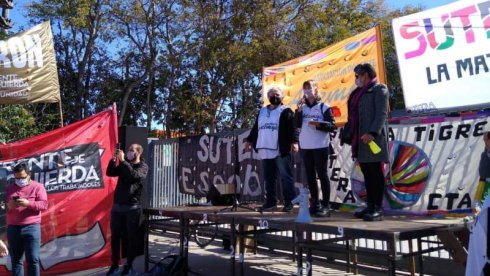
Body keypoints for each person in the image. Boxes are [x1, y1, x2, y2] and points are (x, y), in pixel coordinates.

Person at [343, 63, 389, 221]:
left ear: (367, 74)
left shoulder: (379, 89)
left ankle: (378, 207)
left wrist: (372, 132)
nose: (357, 78)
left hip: (373, 139)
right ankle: (370, 205)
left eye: (359, 75)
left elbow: (382, 113)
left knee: (375, 172)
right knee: (367, 173)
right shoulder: (358, 93)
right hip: (360, 140)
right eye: (355, 76)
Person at [245, 87, 298, 212]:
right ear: (268, 97)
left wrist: (295, 142)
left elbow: (293, 128)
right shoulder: (262, 111)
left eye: (277, 94)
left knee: (286, 176)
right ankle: (270, 202)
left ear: (282, 97)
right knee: (269, 177)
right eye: (272, 94)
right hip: (264, 147)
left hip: (280, 148)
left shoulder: (286, 111)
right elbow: (255, 127)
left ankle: (290, 202)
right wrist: (249, 140)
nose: (274, 96)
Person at [295, 80, 337, 217]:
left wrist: (318, 125)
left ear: (316, 89)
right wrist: (298, 111)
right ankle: (315, 203)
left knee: (322, 175)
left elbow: (332, 126)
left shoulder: (324, 107)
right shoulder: (302, 108)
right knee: (310, 177)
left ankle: (326, 205)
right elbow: (296, 125)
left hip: (320, 146)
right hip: (306, 146)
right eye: (305, 88)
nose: (307, 91)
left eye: (309, 88)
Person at [106, 144, 148, 275]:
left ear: (138, 153)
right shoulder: (124, 165)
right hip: (118, 207)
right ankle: (114, 265)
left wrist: (123, 161)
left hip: (132, 208)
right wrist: (113, 160)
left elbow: (134, 176)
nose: (129, 152)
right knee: (115, 237)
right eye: (128, 150)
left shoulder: (143, 167)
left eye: (132, 150)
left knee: (131, 238)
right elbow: (110, 172)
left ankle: (129, 265)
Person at [6, 162, 48, 276]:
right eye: (17, 178)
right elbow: (4, 207)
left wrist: (28, 203)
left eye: (22, 177)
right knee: (16, 261)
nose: (20, 180)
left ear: (29, 174)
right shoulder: (10, 188)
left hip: (32, 227)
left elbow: (44, 205)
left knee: (33, 259)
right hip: (13, 228)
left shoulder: (38, 187)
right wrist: (9, 206)